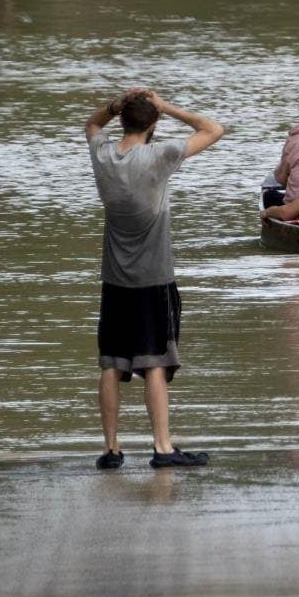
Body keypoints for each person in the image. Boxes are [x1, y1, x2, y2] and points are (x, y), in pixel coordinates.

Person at [85, 87, 225, 470]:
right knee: (155, 363)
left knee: (112, 362)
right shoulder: (160, 155)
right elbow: (213, 129)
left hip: (115, 279)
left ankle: (111, 449)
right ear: (153, 124)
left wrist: (115, 105)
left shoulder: (103, 154)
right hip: (153, 277)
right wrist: (166, 107)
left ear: (124, 120)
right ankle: (162, 448)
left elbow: (93, 123)